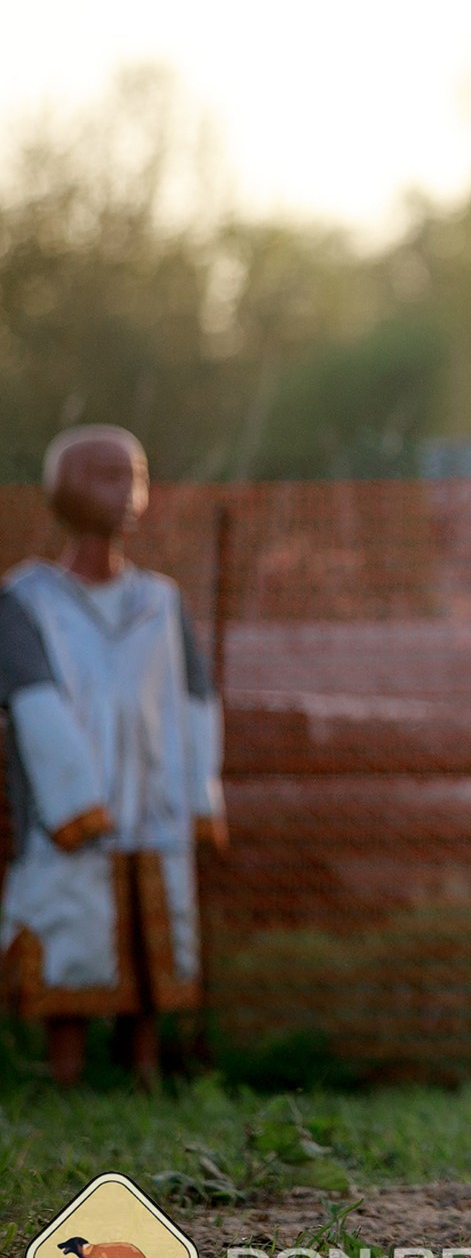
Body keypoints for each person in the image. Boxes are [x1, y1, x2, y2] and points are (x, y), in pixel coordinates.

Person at [1, 426, 227, 1089]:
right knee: (72, 927)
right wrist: (75, 799)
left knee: (155, 933)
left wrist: (199, 794)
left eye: (136, 475)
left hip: (155, 806)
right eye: (107, 476)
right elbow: (34, 702)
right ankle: (65, 1071)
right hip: (72, 813)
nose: (127, 491)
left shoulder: (162, 600)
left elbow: (195, 699)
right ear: (65, 489)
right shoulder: (25, 601)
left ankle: (145, 1069)